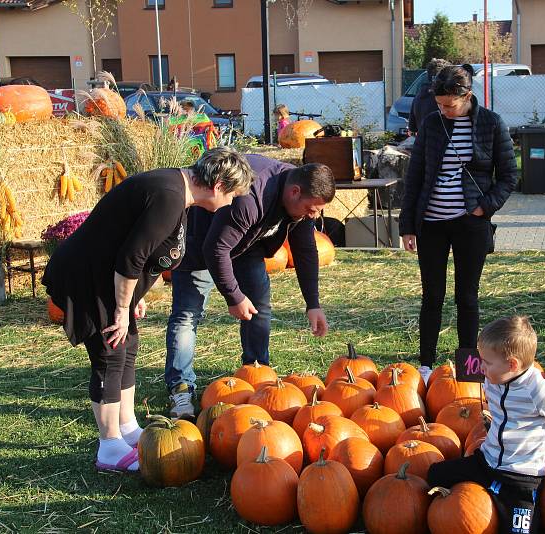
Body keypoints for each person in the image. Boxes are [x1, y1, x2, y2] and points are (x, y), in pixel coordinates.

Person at [42, 148, 254, 471]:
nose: (230, 205)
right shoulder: (169, 196)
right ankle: (109, 445)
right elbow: (130, 257)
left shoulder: (178, 193)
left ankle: (127, 427)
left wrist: (135, 295)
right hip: (87, 277)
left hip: (107, 277)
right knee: (110, 351)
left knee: (127, 347)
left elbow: (142, 246)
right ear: (218, 186)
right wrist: (121, 308)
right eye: (232, 196)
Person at [164, 156, 336, 419]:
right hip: (198, 242)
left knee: (259, 306)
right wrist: (234, 296)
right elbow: (215, 248)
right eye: (311, 209)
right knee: (187, 315)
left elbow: (305, 250)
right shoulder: (251, 197)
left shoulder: (302, 194)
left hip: (247, 245)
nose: (314, 215)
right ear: (294, 192)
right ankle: (180, 386)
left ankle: (257, 374)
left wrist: (313, 303)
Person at [399, 64, 517, 384]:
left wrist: (485, 207)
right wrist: (407, 225)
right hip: (432, 224)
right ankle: (425, 365)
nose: (444, 110)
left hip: (471, 224)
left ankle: (468, 367)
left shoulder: (491, 124)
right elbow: (415, 177)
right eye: (439, 105)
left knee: (467, 296)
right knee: (432, 296)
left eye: (450, 105)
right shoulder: (431, 124)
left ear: (467, 96)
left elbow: (509, 176)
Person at [427, 316, 545, 534]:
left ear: (512, 364)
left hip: (521, 478)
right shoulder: (495, 379)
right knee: (434, 474)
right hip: (487, 461)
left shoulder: (539, 392)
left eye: (487, 362)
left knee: (520, 530)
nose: (481, 366)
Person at [407, 58, 450, 136]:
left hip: (423, 143)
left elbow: (412, 129)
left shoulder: (418, 96)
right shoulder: (445, 98)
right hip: (441, 144)